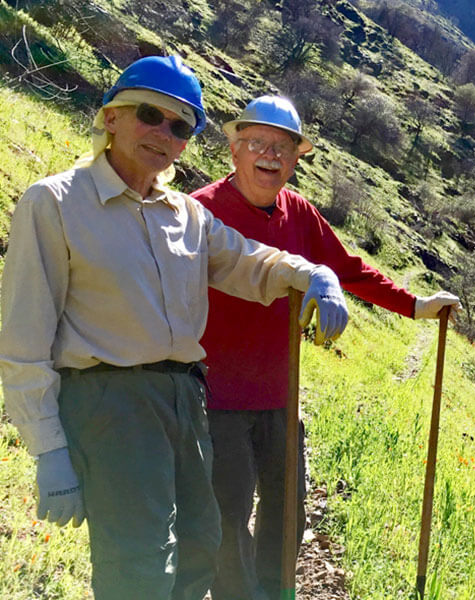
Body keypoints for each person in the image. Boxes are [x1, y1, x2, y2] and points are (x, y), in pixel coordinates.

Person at [0, 57, 349, 600]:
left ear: (187, 143)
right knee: (139, 564)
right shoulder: (55, 203)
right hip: (111, 401)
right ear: (111, 117)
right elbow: (23, 341)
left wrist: (314, 274)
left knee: (200, 546)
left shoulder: (186, 215)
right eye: (149, 114)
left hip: (187, 396)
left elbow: (249, 260)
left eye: (180, 125)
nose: (163, 133)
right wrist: (48, 450)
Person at [191, 95, 461, 600]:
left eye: (283, 148)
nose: (269, 156)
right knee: (226, 516)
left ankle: (277, 593)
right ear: (234, 149)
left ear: (296, 160)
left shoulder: (300, 213)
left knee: (287, 512)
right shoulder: (199, 211)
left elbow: (349, 270)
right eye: (257, 143)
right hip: (215, 398)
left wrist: (416, 304)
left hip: (281, 392)